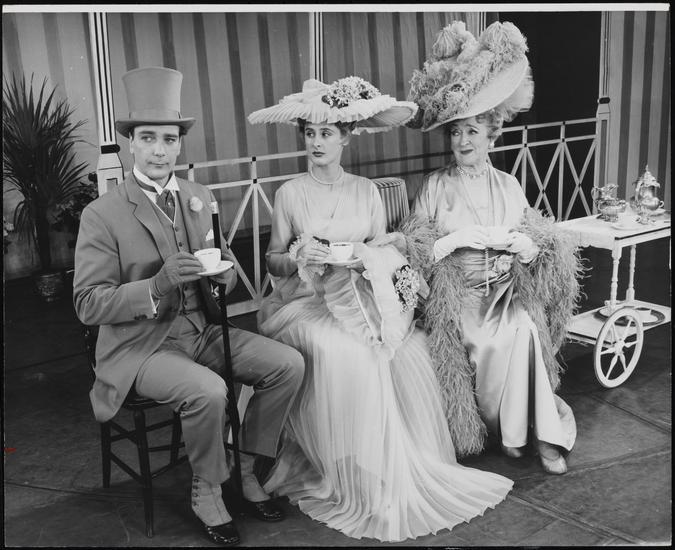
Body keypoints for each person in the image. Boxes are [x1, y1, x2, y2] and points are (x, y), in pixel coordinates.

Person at [246, 77, 513, 542]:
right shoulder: (290, 193)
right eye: (310, 133)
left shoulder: (366, 192)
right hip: (304, 304)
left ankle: (391, 464)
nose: (316, 142)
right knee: (351, 353)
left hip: (362, 299)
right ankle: (352, 470)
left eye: (326, 133)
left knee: (409, 351)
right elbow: (273, 262)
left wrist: (366, 258)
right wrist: (298, 256)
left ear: (346, 138)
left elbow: (382, 254)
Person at [73, 67, 305, 546]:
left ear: (179, 145)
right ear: (131, 144)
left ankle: (244, 465)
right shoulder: (101, 214)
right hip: (142, 347)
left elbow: (221, 273)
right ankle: (208, 487)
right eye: (148, 138)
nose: (159, 150)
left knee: (288, 364)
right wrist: (155, 285)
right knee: (209, 391)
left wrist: (222, 279)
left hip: (203, 331)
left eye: (169, 139)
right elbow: (87, 304)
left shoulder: (199, 197)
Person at [403, 21, 582, 475]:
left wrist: (523, 246)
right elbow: (413, 252)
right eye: (456, 132)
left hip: (503, 293)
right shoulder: (434, 185)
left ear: (491, 136)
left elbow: (540, 245)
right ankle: (505, 431)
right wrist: (451, 241)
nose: (462, 141)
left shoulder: (509, 185)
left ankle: (540, 438)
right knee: (486, 341)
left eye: (472, 132)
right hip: (458, 298)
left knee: (524, 328)